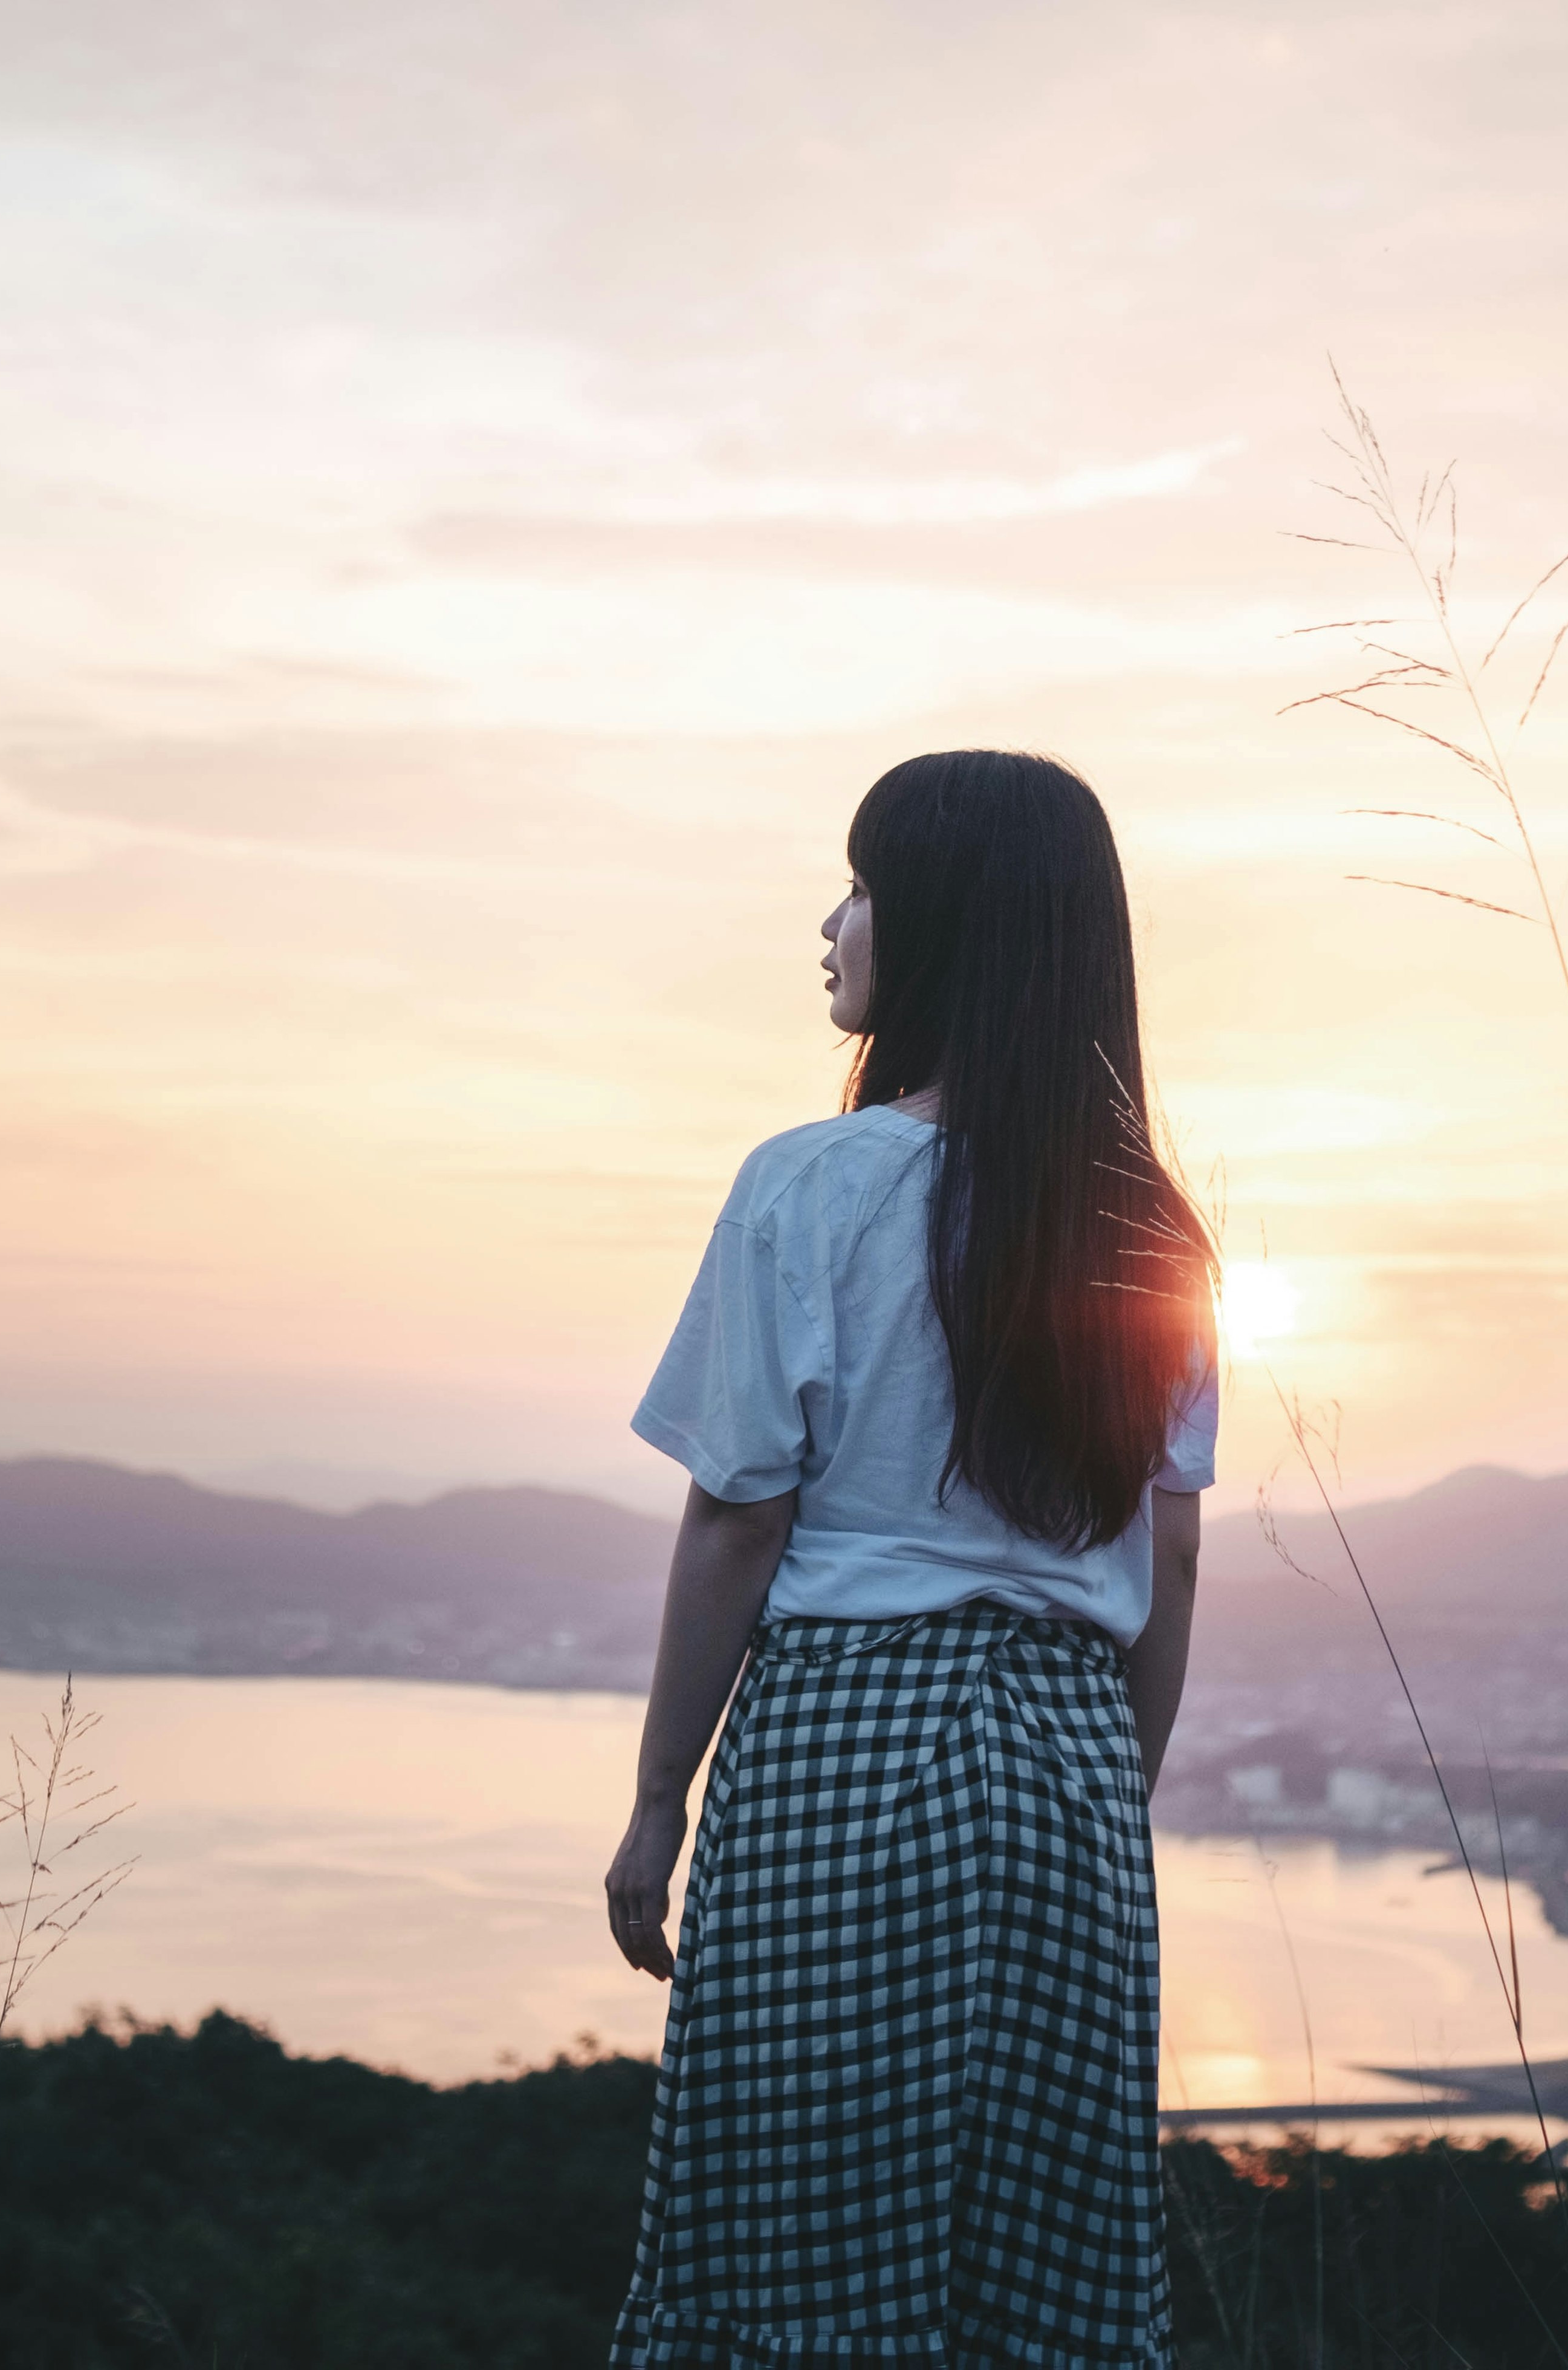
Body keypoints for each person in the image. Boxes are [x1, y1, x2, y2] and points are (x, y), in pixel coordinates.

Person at [604, 747, 1219, 2370]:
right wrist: (1105, 1791)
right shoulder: (1142, 1228)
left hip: (843, 1742)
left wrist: (661, 1802)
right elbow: (1167, 1558)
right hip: (1071, 1769)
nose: (833, 922)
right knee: (1044, 2274)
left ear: (943, 929)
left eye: (865, 889)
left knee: (799, 2252)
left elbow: (739, 1521)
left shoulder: (810, 1187)